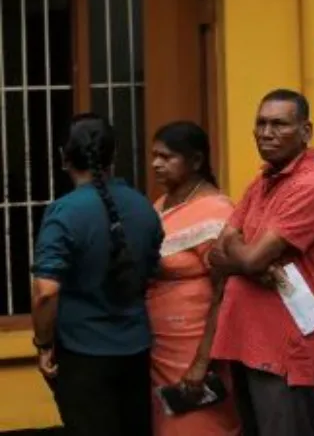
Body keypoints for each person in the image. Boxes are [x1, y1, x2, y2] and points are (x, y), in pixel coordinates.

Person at [207, 89, 314, 436]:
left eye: (279, 124)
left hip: (283, 345)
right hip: (245, 337)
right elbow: (216, 250)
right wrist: (250, 263)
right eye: (261, 123)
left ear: (306, 131)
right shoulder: (263, 180)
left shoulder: (311, 186)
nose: (266, 133)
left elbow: (244, 255)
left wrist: (247, 258)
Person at [31, 113, 163, 436]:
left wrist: (43, 342)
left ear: (65, 158)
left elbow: (46, 291)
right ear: (113, 156)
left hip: (82, 354)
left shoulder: (65, 211)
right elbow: (152, 271)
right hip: (136, 349)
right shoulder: (144, 206)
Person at [147, 121, 241, 435]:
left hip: (196, 350)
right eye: (154, 156)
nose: (156, 164)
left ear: (196, 161)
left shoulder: (216, 211)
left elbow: (226, 291)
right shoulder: (162, 204)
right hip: (160, 349)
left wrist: (202, 362)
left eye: (166, 157)